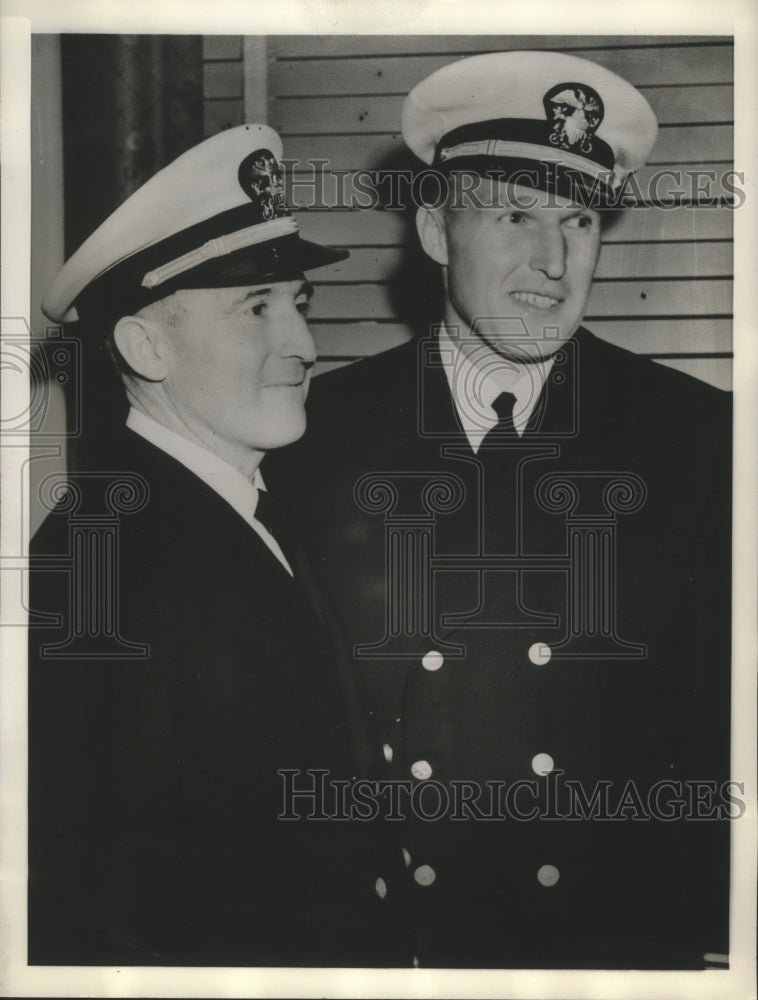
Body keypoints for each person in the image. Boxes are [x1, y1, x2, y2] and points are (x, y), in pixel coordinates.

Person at [265, 52, 733, 969]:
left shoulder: (703, 441)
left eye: (578, 220)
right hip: (394, 952)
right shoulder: (314, 439)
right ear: (436, 230)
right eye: (514, 215)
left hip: (614, 955)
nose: (552, 262)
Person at [27, 124, 405, 967]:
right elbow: (91, 915)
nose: (304, 347)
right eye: (255, 308)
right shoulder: (101, 562)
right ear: (144, 345)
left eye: (299, 304)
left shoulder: (259, 507)